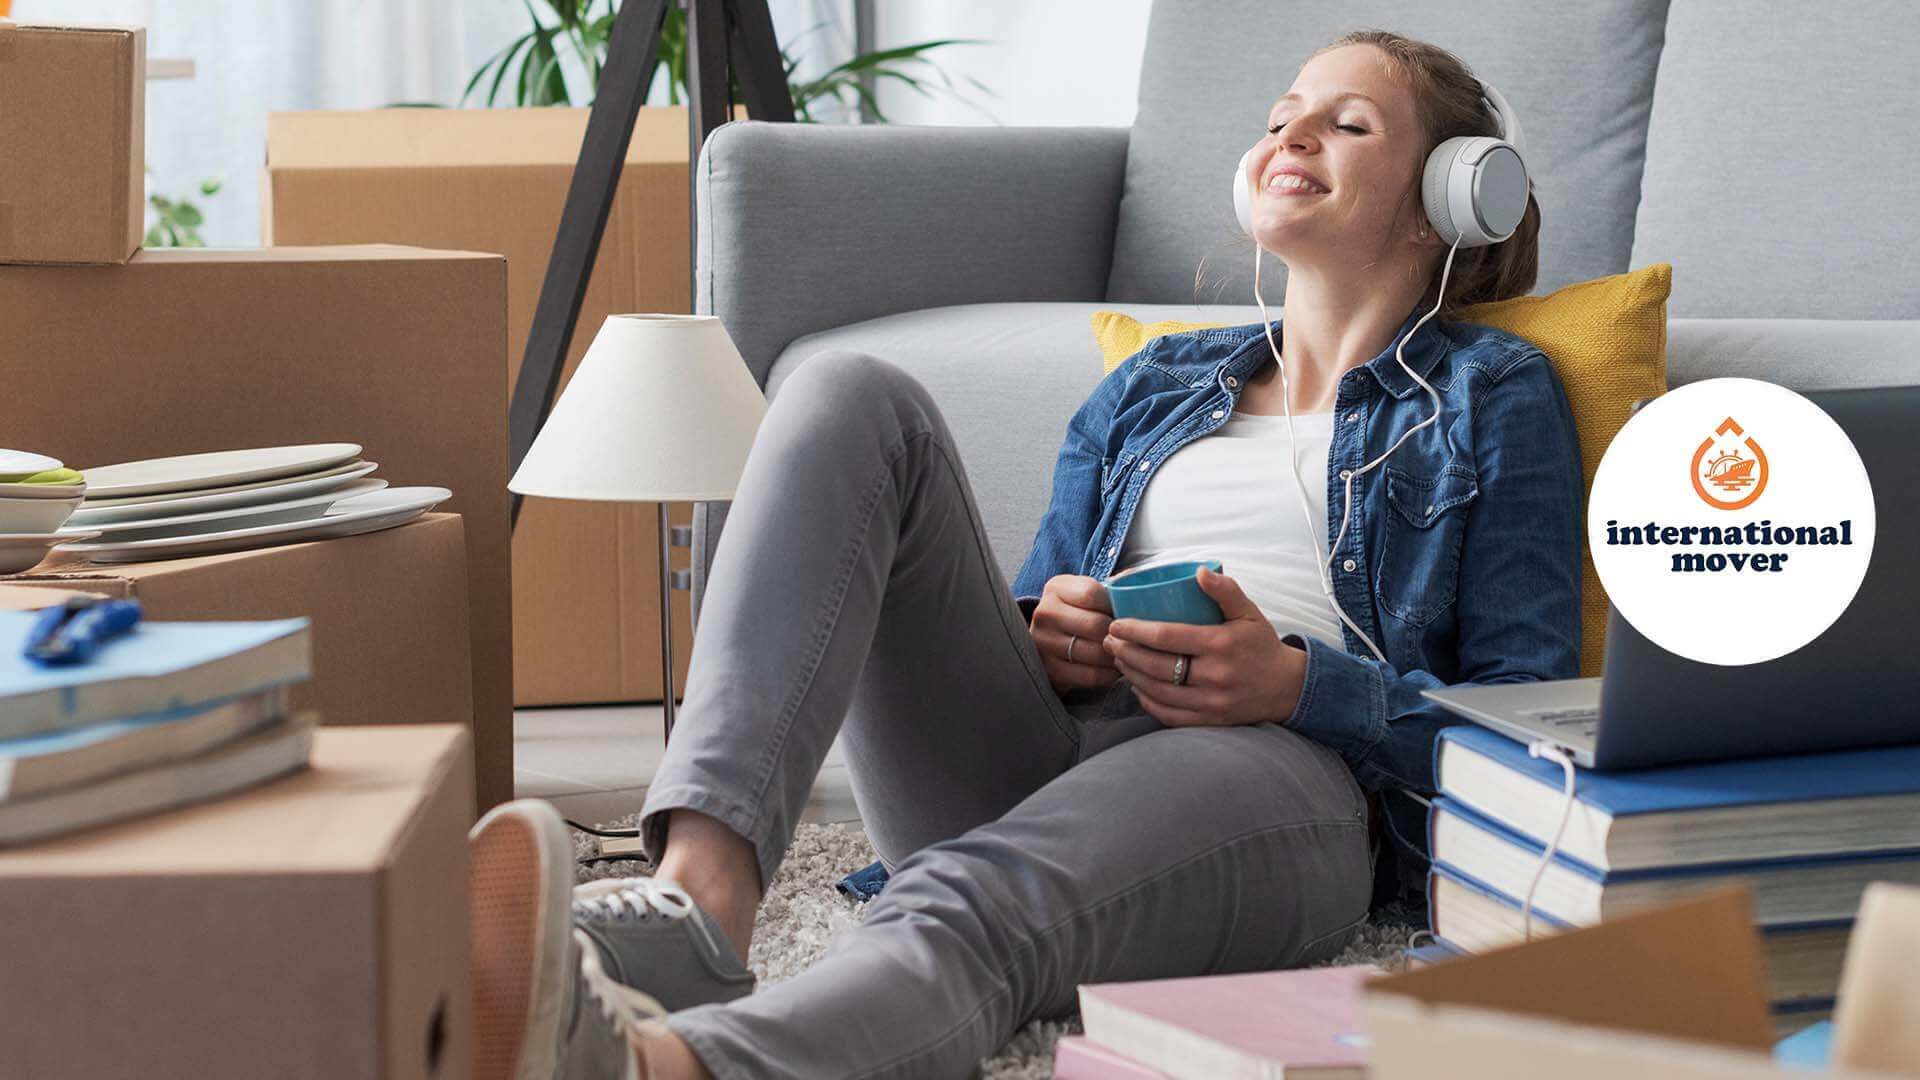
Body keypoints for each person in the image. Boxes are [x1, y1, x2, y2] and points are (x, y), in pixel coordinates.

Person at [471, 28, 1583, 1080]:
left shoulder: (1492, 398)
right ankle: (700, 902)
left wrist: (1301, 686)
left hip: (1284, 778)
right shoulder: (1153, 386)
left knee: (972, 900)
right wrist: (1053, 641)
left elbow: (1530, 731)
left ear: (1446, 200)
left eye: (1347, 126)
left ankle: (668, 1066)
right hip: (1051, 747)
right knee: (847, 391)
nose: (1293, 136)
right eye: (1284, 115)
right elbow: (1027, 607)